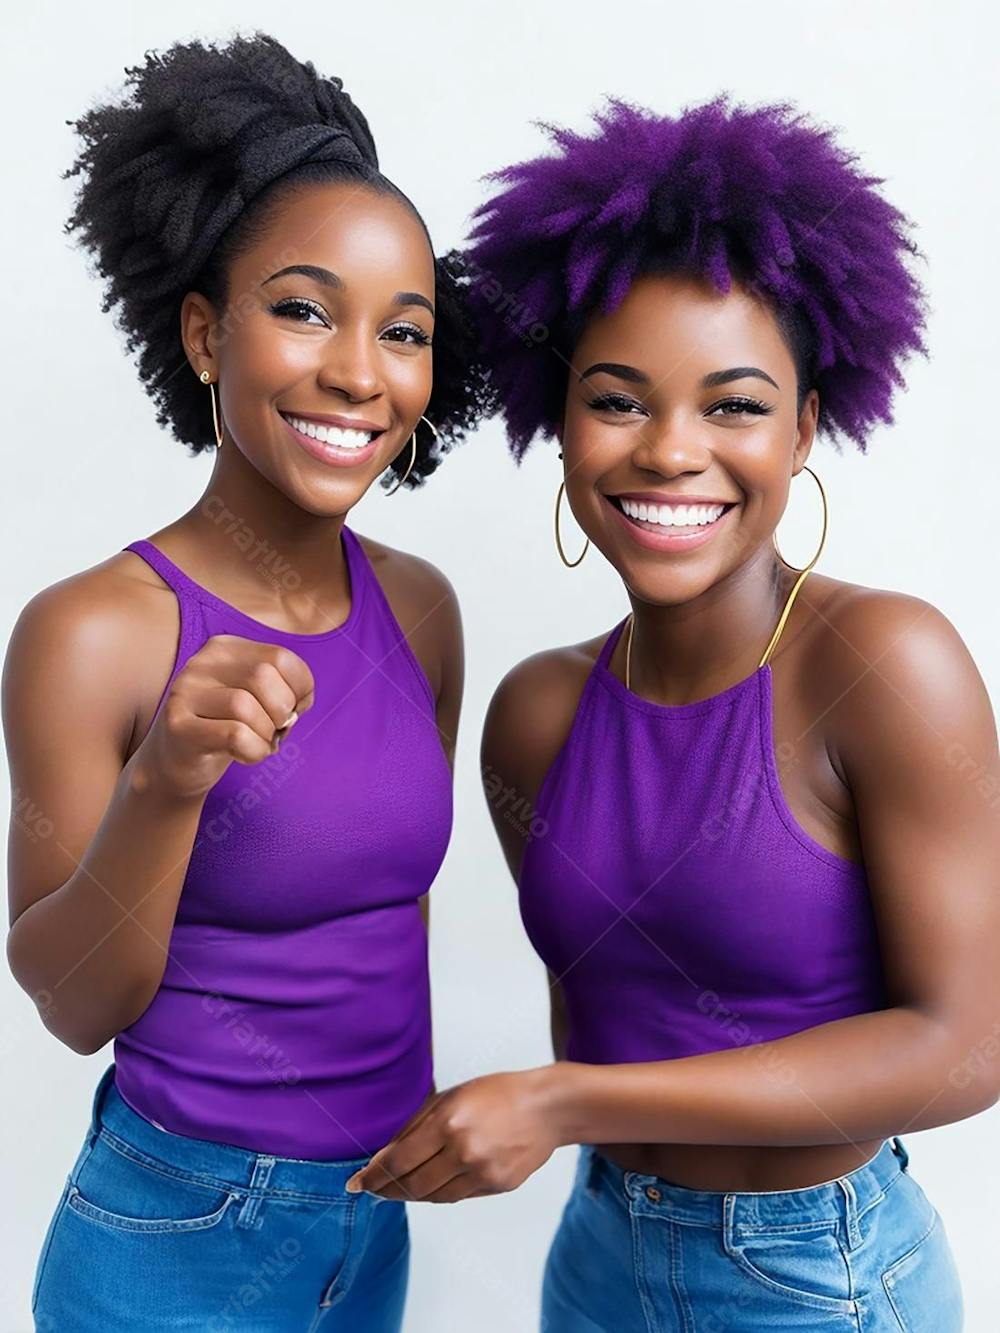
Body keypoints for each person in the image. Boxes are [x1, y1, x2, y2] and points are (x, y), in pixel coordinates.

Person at [346, 94, 999, 1330]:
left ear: (807, 426)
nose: (670, 450)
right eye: (618, 399)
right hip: (600, 1251)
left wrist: (559, 1103)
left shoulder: (884, 661)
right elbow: (602, 1006)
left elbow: (965, 1046)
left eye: (735, 405)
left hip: (816, 1276)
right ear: (560, 423)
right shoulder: (536, 712)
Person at [5, 30, 491, 1332]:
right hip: (175, 1226)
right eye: (302, 309)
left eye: (406, 331)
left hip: (373, 1218)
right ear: (208, 334)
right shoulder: (93, 630)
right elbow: (68, 999)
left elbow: (391, 915)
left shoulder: (423, 611)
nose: (356, 371)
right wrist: (168, 776)